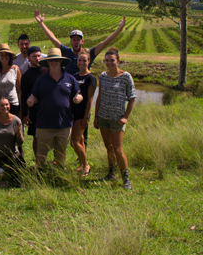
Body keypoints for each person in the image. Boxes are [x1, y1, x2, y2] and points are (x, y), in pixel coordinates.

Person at [27, 48, 82, 168]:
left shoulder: (70, 79)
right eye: (52, 60)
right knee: (41, 154)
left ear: (61, 61)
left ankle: (58, 173)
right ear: (48, 62)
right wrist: (31, 100)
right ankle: (39, 174)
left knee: (60, 153)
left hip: (64, 124)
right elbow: (34, 96)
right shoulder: (41, 80)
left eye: (57, 60)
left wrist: (78, 98)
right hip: (44, 124)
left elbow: (78, 93)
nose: (54, 62)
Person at [33, 10, 126, 75]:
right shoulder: (66, 51)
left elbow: (105, 42)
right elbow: (52, 38)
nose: (76, 42)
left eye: (78, 39)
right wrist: (41, 23)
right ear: (71, 41)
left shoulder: (89, 53)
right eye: (74, 39)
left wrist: (119, 29)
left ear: (82, 41)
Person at [93, 47, 136, 190]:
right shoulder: (103, 76)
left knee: (118, 148)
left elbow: (131, 98)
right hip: (103, 117)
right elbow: (99, 97)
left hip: (117, 118)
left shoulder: (126, 77)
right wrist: (96, 116)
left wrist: (125, 117)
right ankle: (111, 173)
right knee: (108, 147)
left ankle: (126, 178)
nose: (109, 63)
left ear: (118, 60)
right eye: (106, 61)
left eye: (112, 60)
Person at [0, 96, 24, 187]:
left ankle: (5, 173)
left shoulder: (16, 121)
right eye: (2, 105)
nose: (5, 107)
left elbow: (20, 143)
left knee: (18, 175)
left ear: (9, 106)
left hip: (11, 155)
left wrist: (18, 133)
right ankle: (1, 172)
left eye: (6, 105)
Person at [71, 48, 96, 177]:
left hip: (82, 114)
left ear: (88, 61)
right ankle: (81, 164)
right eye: (79, 60)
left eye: (84, 60)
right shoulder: (74, 77)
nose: (81, 62)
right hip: (73, 114)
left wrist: (86, 118)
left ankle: (86, 165)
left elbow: (90, 100)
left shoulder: (91, 78)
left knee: (74, 141)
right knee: (79, 141)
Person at [20, 46, 47, 159]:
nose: (37, 58)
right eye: (34, 56)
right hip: (35, 111)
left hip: (48, 109)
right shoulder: (26, 76)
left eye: (39, 55)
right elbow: (24, 96)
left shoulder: (48, 71)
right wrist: (25, 115)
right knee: (36, 137)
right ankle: (38, 162)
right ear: (28, 58)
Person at [0, 44, 22, 118]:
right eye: (1, 55)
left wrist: (21, 109)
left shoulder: (15, 70)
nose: (4, 57)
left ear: (10, 57)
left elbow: (20, 90)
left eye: (6, 55)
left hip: (13, 104)